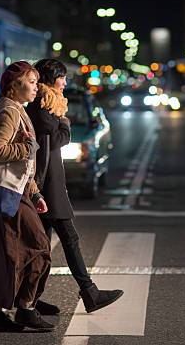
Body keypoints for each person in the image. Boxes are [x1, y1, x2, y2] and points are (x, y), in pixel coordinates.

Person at [26, 58, 123, 313]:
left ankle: (31, 299)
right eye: (62, 77)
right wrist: (65, 123)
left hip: (50, 181)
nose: (65, 82)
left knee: (42, 246)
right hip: (45, 185)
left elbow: (55, 136)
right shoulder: (41, 105)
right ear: (51, 78)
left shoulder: (49, 103)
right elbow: (58, 137)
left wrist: (62, 122)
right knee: (68, 238)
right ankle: (89, 293)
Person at [0, 61, 59, 332]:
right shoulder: (9, 112)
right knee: (39, 247)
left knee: (5, 253)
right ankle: (25, 308)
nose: (36, 87)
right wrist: (26, 147)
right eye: (32, 82)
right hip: (8, 194)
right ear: (15, 85)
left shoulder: (12, 109)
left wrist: (34, 194)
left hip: (15, 192)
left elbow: (22, 166)